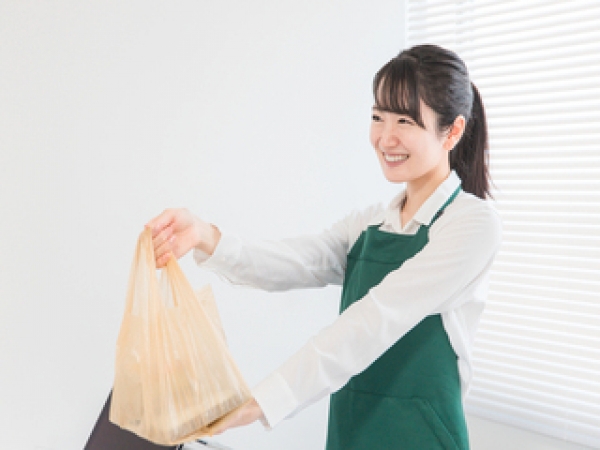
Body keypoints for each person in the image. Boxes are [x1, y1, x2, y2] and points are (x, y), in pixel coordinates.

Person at [146, 44, 502, 450]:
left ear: (452, 132)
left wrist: (261, 402)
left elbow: (376, 318)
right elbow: (294, 261)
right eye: (378, 117)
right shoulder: (369, 224)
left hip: (421, 438)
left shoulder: (472, 225)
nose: (386, 137)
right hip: (352, 433)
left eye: (405, 121)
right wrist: (205, 235)